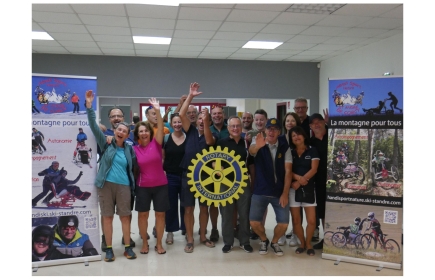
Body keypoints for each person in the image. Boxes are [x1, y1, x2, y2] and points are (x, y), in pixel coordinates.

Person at [85, 89, 137, 261]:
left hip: (124, 187)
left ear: (128, 135)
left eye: (124, 130)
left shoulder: (130, 149)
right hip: (106, 185)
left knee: (125, 217)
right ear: (113, 131)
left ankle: (128, 247)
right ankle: (108, 248)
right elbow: (93, 125)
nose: (121, 131)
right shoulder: (105, 142)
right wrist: (89, 106)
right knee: (107, 217)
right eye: (118, 130)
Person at [179, 82, 217, 253]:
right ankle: (189, 238)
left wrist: (207, 122)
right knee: (188, 208)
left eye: (205, 119)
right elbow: (181, 113)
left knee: (204, 207)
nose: (202, 121)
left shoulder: (212, 134)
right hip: (188, 174)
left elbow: (209, 141)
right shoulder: (190, 131)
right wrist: (191, 96)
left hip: (206, 177)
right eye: (200, 119)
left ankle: (202, 236)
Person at [248, 118, 292, 256]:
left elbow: (288, 171)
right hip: (260, 191)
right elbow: (251, 151)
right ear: (265, 130)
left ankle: (274, 242)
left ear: (279, 131)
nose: (271, 131)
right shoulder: (258, 142)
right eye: (269, 129)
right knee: (254, 222)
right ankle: (263, 240)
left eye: (275, 129)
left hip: (278, 192)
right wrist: (258, 146)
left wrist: (285, 193)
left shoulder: (285, 146)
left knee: (284, 224)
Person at [133, 98, 170, 255]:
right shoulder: (134, 149)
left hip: (161, 185)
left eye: (146, 130)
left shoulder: (157, 143)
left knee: (160, 214)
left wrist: (158, 110)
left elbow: (160, 128)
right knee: (143, 215)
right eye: (141, 131)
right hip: (143, 187)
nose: (144, 133)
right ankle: (145, 243)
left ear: (149, 132)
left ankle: (159, 244)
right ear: (137, 135)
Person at [97, 106, 136, 251]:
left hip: (126, 181)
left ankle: (126, 238)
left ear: (123, 118)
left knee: (126, 213)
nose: (116, 118)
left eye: (119, 116)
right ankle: (105, 239)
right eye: (113, 116)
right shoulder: (105, 134)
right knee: (107, 214)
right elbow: (92, 127)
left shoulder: (131, 136)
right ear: (109, 120)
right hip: (107, 182)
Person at [216, 116, 253, 253]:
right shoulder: (221, 143)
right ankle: (228, 242)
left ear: (241, 127)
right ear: (228, 128)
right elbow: (215, 161)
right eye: (233, 126)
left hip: (243, 182)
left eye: (238, 126)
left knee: (244, 213)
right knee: (226, 213)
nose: (236, 128)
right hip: (226, 183)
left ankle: (245, 241)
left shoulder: (247, 143)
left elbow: (250, 163)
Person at [288, 126, 319, 256]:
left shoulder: (313, 150)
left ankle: (308, 243)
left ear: (304, 136)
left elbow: (314, 170)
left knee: (311, 220)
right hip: (293, 190)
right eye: (293, 135)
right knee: (296, 220)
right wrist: (298, 179)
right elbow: (287, 170)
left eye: (298, 134)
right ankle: (301, 243)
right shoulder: (290, 151)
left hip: (308, 189)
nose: (296, 137)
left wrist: (300, 181)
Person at [163, 112, 186, 245]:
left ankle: (186, 228)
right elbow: (162, 157)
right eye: (175, 122)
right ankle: (170, 231)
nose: (177, 124)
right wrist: (162, 171)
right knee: (170, 205)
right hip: (170, 176)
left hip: (185, 176)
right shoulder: (166, 138)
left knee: (185, 204)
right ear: (171, 124)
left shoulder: (188, 137)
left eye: (179, 122)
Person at [279, 112, 302, 247]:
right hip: (282, 179)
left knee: (295, 209)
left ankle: (295, 234)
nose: (290, 123)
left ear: (297, 123)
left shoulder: (300, 139)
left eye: (293, 121)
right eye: (287, 121)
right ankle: (281, 234)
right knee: (282, 208)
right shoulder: (280, 138)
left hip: (296, 180)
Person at [245, 109, 268, 240]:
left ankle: (261, 228)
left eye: (262, 119)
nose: (259, 122)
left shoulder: (271, 133)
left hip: (267, 172)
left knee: (263, 202)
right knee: (254, 200)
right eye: (257, 119)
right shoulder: (251, 135)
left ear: (266, 120)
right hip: (254, 170)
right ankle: (254, 227)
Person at [208, 104, 230, 242]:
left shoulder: (231, 129)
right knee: (214, 203)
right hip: (211, 171)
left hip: (229, 171)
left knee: (229, 202)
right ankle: (215, 229)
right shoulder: (207, 130)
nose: (217, 116)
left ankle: (231, 228)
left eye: (219, 113)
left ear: (224, 115)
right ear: (211, 116)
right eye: (214, 114)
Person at [309, 113, 328, 250]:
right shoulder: (310, 143)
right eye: (313, 123)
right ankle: (327, 238)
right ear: (310, 126)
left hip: (337, 181)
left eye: (319, 121)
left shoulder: (334, 135)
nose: (317, 125)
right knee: (322, 211)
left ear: (323, 122)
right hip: (319, 183)